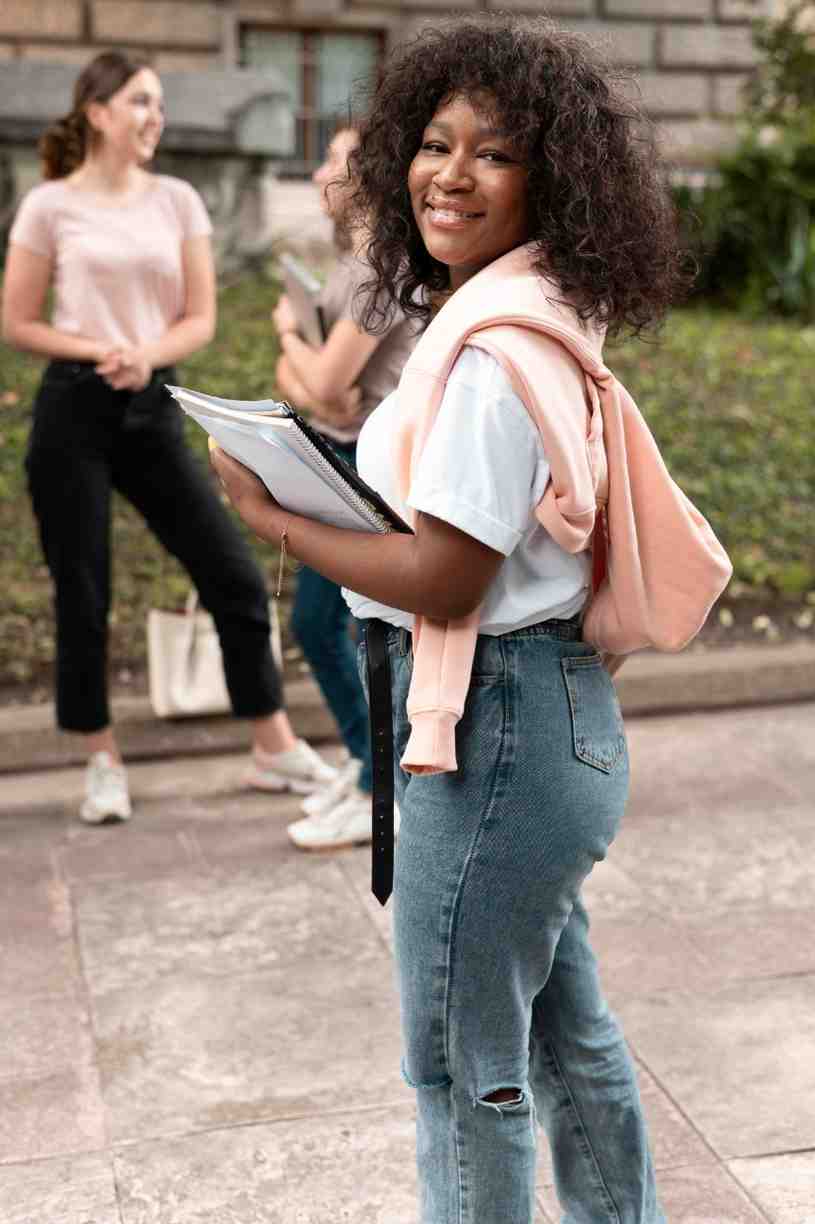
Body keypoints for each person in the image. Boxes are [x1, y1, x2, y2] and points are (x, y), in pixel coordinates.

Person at [210, 17, 730, 1222]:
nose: (450, 173)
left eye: (491, 153)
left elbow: (447, 577)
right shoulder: (524, 313)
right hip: (537, 724)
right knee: (561, 1036)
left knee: (460, 1071)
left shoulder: (492, 351)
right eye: (433, 143)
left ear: (549, 177)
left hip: (493, 734)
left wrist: (277, 517)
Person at [1, 50, 335, 825]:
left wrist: (146, 355)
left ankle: (272, 747)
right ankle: (100, 760)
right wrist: (100, 352)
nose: (156, 117)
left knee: (234, 574)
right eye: (142, 102)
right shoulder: (50, 206)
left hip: (152, 404)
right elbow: (18, 321)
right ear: (99, 114)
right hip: (73, 412)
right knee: (84, 591)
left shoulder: (178, 200)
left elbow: (201, 317)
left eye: (159, 103)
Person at [271, 121, 417, 851]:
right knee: (326, 626)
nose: (322, 167)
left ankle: (376, 782)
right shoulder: (349, 259)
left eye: (334, 156)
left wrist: (287, 337)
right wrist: (305, 369)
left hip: (367, 467)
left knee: (355, 631)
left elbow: (326, 385)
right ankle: (367, 763)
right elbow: (312, 393)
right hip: (336, 450)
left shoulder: (380, 266)